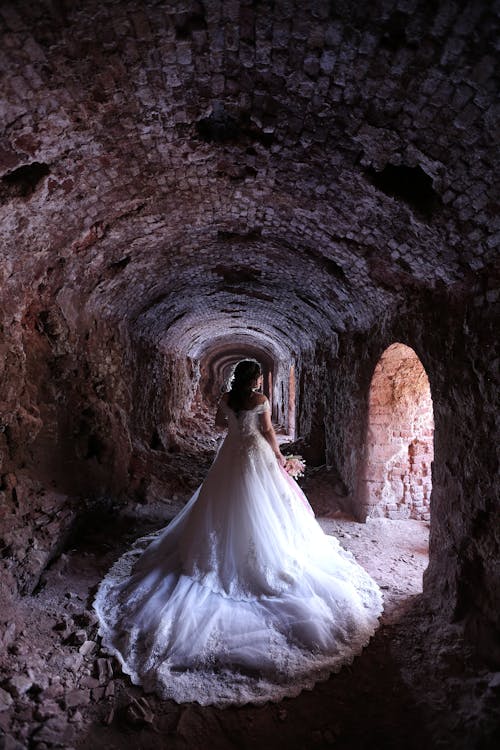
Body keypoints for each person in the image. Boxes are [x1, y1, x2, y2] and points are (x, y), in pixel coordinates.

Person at [94, 359, 383, 707]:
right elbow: (268, 432)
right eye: (259, 376)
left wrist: (233, 425)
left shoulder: (227, 400)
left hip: (230, 455)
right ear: (256, 379)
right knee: (268, 506)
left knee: (222, 505)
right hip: (255, 454)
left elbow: (220, 425)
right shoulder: (260, 400)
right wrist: (280, 458)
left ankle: (220, 556)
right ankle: (260, 557)